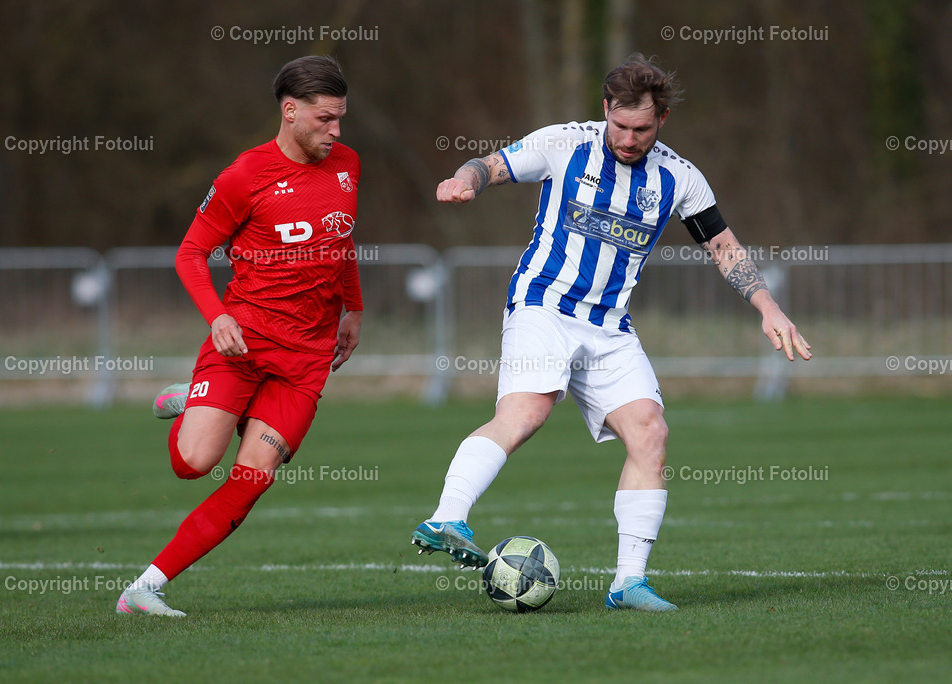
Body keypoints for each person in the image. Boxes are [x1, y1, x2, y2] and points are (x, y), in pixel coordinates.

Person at [411, 54, 811, 612]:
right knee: (527, 413)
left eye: (641, 129)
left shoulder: (680, 177)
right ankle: (447, 517)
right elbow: (493, 164)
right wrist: (465, 179)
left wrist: (768, 307)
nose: (627, 138)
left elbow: (722, 247)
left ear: (662, 120)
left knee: (650, 433)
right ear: (606, 110)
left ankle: (628, 583)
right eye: (619, 125)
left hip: (610, 327)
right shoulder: (564, 143)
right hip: (543, 305)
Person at [116, 55, 364, 617]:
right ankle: (199, 400)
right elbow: (190, 253)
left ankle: (143, 590)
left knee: (252, 478)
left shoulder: (348, 163)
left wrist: (355, 307)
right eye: (326, 119)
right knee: (194, 462)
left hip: (306, 359)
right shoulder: (243, 176)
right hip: (243, 343)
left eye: (342, 118)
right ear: (291, 110)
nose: (337, 131)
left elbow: (342, 240)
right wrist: (216, 316)